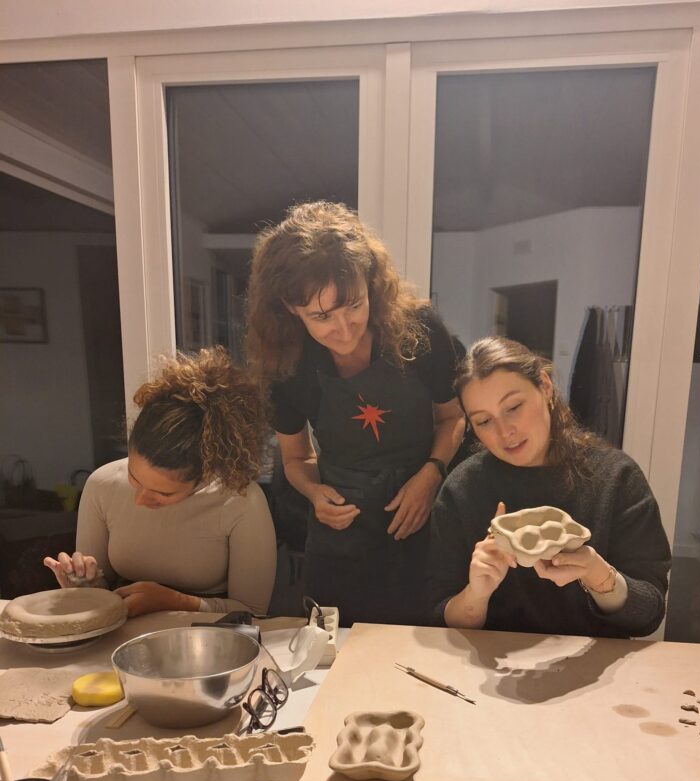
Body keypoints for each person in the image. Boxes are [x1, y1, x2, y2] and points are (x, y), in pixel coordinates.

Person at [246, 201, 465, 626]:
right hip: (342, 531)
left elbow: (453, 419)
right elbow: (296, 459)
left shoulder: (419, 329)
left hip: (422, 513)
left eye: (354, 306)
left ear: (371, 285)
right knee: (337, 655)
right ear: (291, 309)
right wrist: (314, 494)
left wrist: (432, 473)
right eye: (321, 316)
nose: (343, 329)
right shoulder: (286, 364)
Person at [429, 337, 670, 638]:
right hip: (492, 674)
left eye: (514, 407)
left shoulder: (615, 478)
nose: (505, 432)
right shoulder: (463, 489)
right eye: (484, 421)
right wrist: (476, 594)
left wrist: (596, 573)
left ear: (545, 387)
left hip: (596, 671)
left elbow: (649, 615)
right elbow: (441, 617)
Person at [44, 347, 276, 618]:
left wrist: (175, 601)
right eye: (134, 477)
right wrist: (85, 585)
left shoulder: (240, 501)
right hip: (121, 642)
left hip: (210, 644)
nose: (140, 500)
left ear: (207, 473)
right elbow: (102, 592)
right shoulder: (102, 485)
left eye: (163, 493)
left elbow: (254, 613)